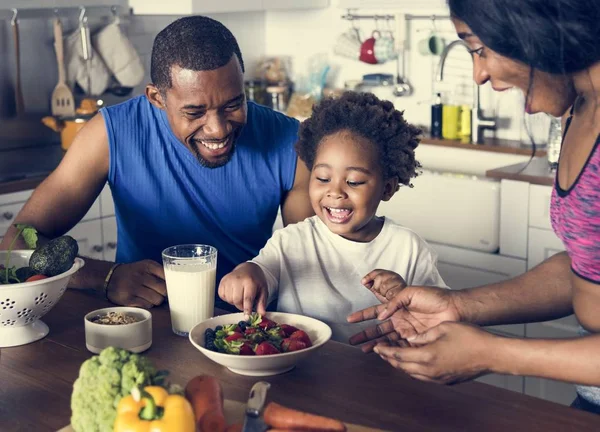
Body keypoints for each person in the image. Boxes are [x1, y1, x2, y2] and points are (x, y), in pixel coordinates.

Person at [347, 0, 600, 414]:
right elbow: (586, 267)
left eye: (479, 48)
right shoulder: (581, 111)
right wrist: (458, 306)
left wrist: (494, 354)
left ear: (531, 26)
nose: (480, 74)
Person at [0, 16, 313, 309]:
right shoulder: (110, 135)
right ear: (156, 98)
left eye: (234, 104)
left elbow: (312, 260)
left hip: (246, 330)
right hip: (149, 323)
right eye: (194, 112)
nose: (218, 129)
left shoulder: (291, 141)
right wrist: (105, 277)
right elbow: (15, 244)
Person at [218, 92, 447, 342]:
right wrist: (246, 273)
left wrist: (405, 296)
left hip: (379, 373)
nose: (335, 192)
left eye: (354, 182)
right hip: (301, 371)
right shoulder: (291, 240)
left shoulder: (409, 249)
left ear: (387, 188)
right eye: (323, 179)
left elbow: (441, 322)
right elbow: (262, 271)